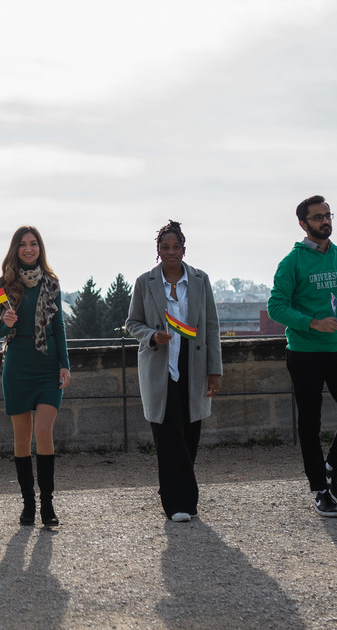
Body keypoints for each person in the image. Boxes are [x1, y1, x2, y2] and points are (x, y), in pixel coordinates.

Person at [267, 195, 337, 518]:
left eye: (328, 215)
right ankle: (320, 490)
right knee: (309, 423)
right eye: (318, 217)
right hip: (305, 352)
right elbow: (276, 307)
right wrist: (312, 323)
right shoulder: (291, 263)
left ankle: (332, 467)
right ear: (303, 224)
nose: (325, 221)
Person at [125, 221, 222, 523]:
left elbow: (211, 326)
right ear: (158, 251)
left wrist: (214, 370)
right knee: (168, 438)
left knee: (190, 435)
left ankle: (174, 489)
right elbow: (132, 323)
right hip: (159, 369)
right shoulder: (145, 282)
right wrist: (152, 335)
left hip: (193, 367)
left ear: (183, 249)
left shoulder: (200, 280)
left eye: (175, 247)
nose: (170, 252)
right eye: (165, 248)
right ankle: (179, 503)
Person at [0, 226, 72, 527]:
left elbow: (60, 327)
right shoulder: (3, 285)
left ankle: (48, 504)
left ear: (40, 248)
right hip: (17, 365)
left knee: (44, 432)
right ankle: (28, 505)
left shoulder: (52, 283)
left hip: (48, 365)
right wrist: (5, 321)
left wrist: (65, 364)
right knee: (22, 439)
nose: (28, 249)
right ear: (15, 249)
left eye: (33, 244)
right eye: (23, 244)